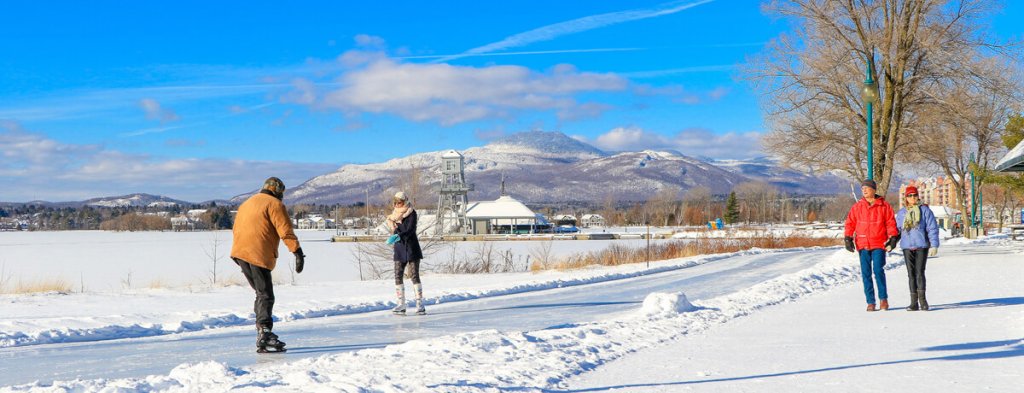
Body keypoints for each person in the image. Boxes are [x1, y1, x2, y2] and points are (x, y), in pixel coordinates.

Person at [230, 177, 306, 352]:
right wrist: (297, 252)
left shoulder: (247, 203)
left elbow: (237, 229)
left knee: (260, 293)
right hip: (258, 252)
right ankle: (264, 332)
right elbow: (285, 230)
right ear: (277, 191)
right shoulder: (274, 204)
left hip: (240, 252)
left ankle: (262, 332)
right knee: (266, 295)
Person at [844, 179, 899, 312]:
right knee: (866, 273)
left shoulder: (884, 206)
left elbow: (890, 223)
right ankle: (870, 301)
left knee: (879, 271)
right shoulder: (857, 207)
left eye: (867, 188)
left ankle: (883, 299)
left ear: (873, 189)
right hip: (862, 244)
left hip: (879, 243)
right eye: (863, 188)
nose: (864, 190)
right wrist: (848, 237)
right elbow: (850, 223)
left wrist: (893, 237)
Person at [895, 186, 940, 311]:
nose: (912, 198)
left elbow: (932, 228)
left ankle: (923, 301)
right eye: (910, 196)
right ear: (906, 198)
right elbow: (897, 230)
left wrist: (934, 244)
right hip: (907, 246)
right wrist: (891, 241)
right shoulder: (902, 213)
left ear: (918, 196)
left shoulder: (925, 210)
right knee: (911, 274)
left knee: (919, 273)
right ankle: (913, 302)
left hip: (921, 245)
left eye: (914, 195)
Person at [390, 191, 425, 315]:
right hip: (399, 249)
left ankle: (420, 304)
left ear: (404, 201)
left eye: (399, 202)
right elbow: (394, 230)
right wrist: (394, 236)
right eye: (395, 202)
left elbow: (411, 230)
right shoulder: (393, 216)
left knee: (414, 275)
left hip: (411, 248)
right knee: (397, 275)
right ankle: (401, 304)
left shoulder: (411, 213)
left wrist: (399, 235)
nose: (397, 205)